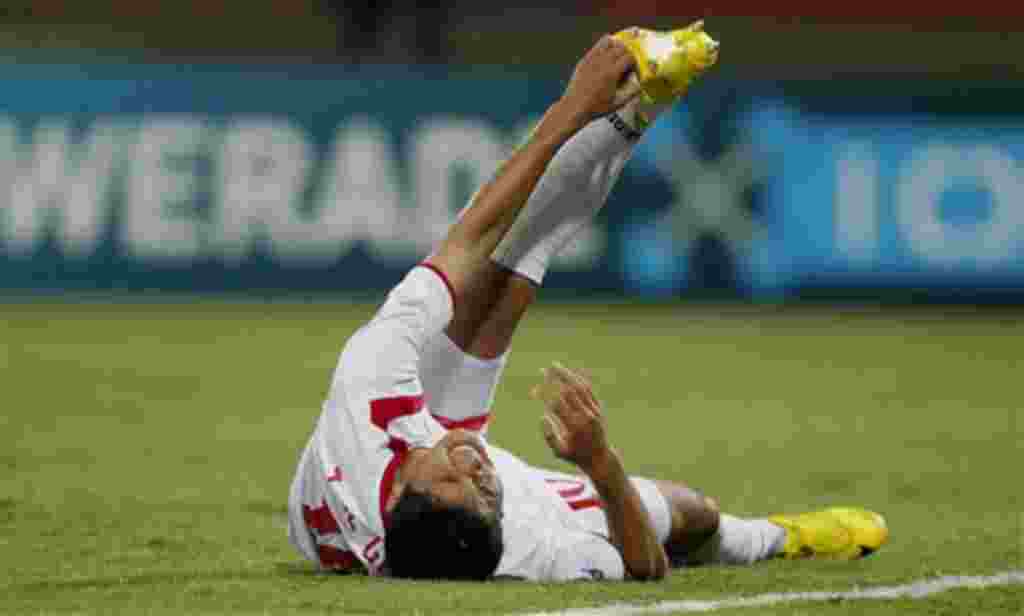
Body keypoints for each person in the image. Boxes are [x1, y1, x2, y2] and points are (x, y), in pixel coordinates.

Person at [287, 23, 888, 582]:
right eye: (484, 489)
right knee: (693, 514)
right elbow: (644, 568)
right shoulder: (510, 536)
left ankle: (636, 110)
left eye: (458, 476)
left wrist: (574, 107)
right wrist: (600, 463)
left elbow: (467, 240)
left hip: (377, 461)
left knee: (500, 273)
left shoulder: (367, 395)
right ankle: (773, 538)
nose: (476, 467)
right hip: (430, 498)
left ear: (396, 496)